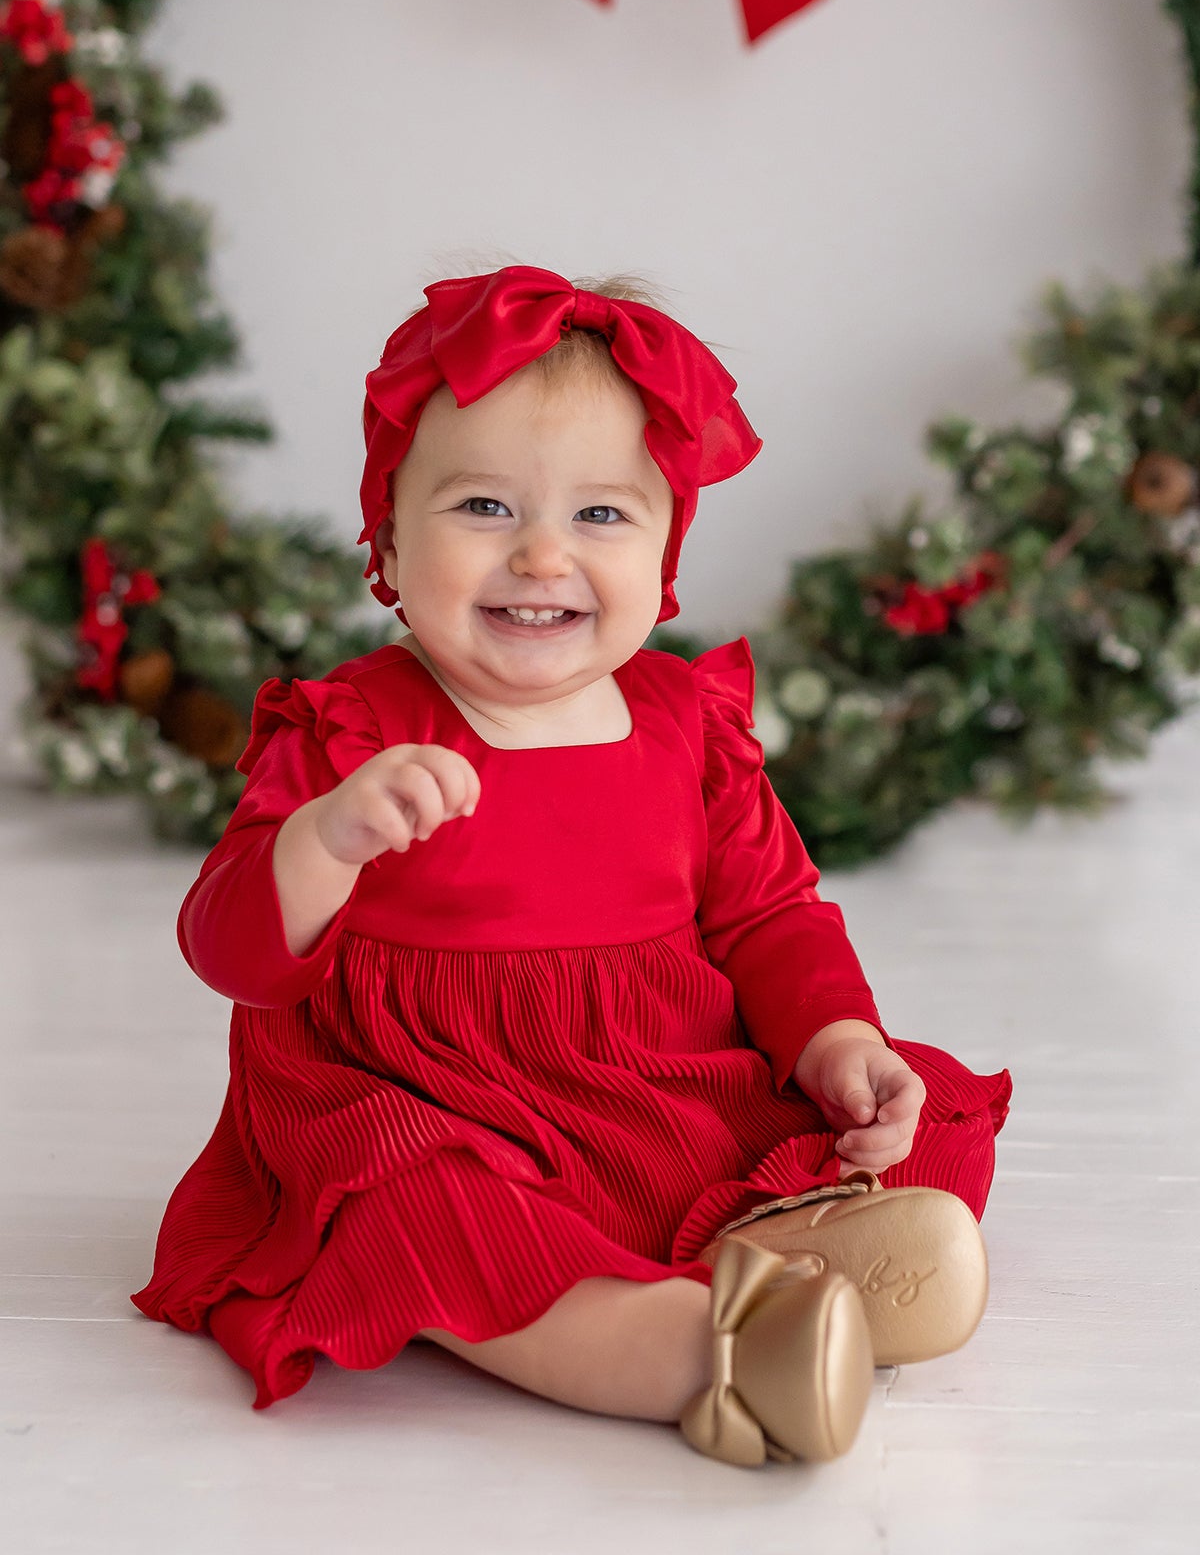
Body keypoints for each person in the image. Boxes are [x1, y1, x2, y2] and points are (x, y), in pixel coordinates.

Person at [132, 265, 1011, 1467]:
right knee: (423, 1215)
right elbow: (222, 945)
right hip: (426, 1102)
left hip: (651, 1084)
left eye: (601, 516)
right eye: (484, 508)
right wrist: (322, 840)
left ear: (665, 553)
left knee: (925, 1102)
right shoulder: (351, 733)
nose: (542, 556)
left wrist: (836, 1042)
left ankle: (808, 1241)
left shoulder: (683, 723)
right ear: (389, 530)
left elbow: (769, 918)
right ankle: (698, 1350)